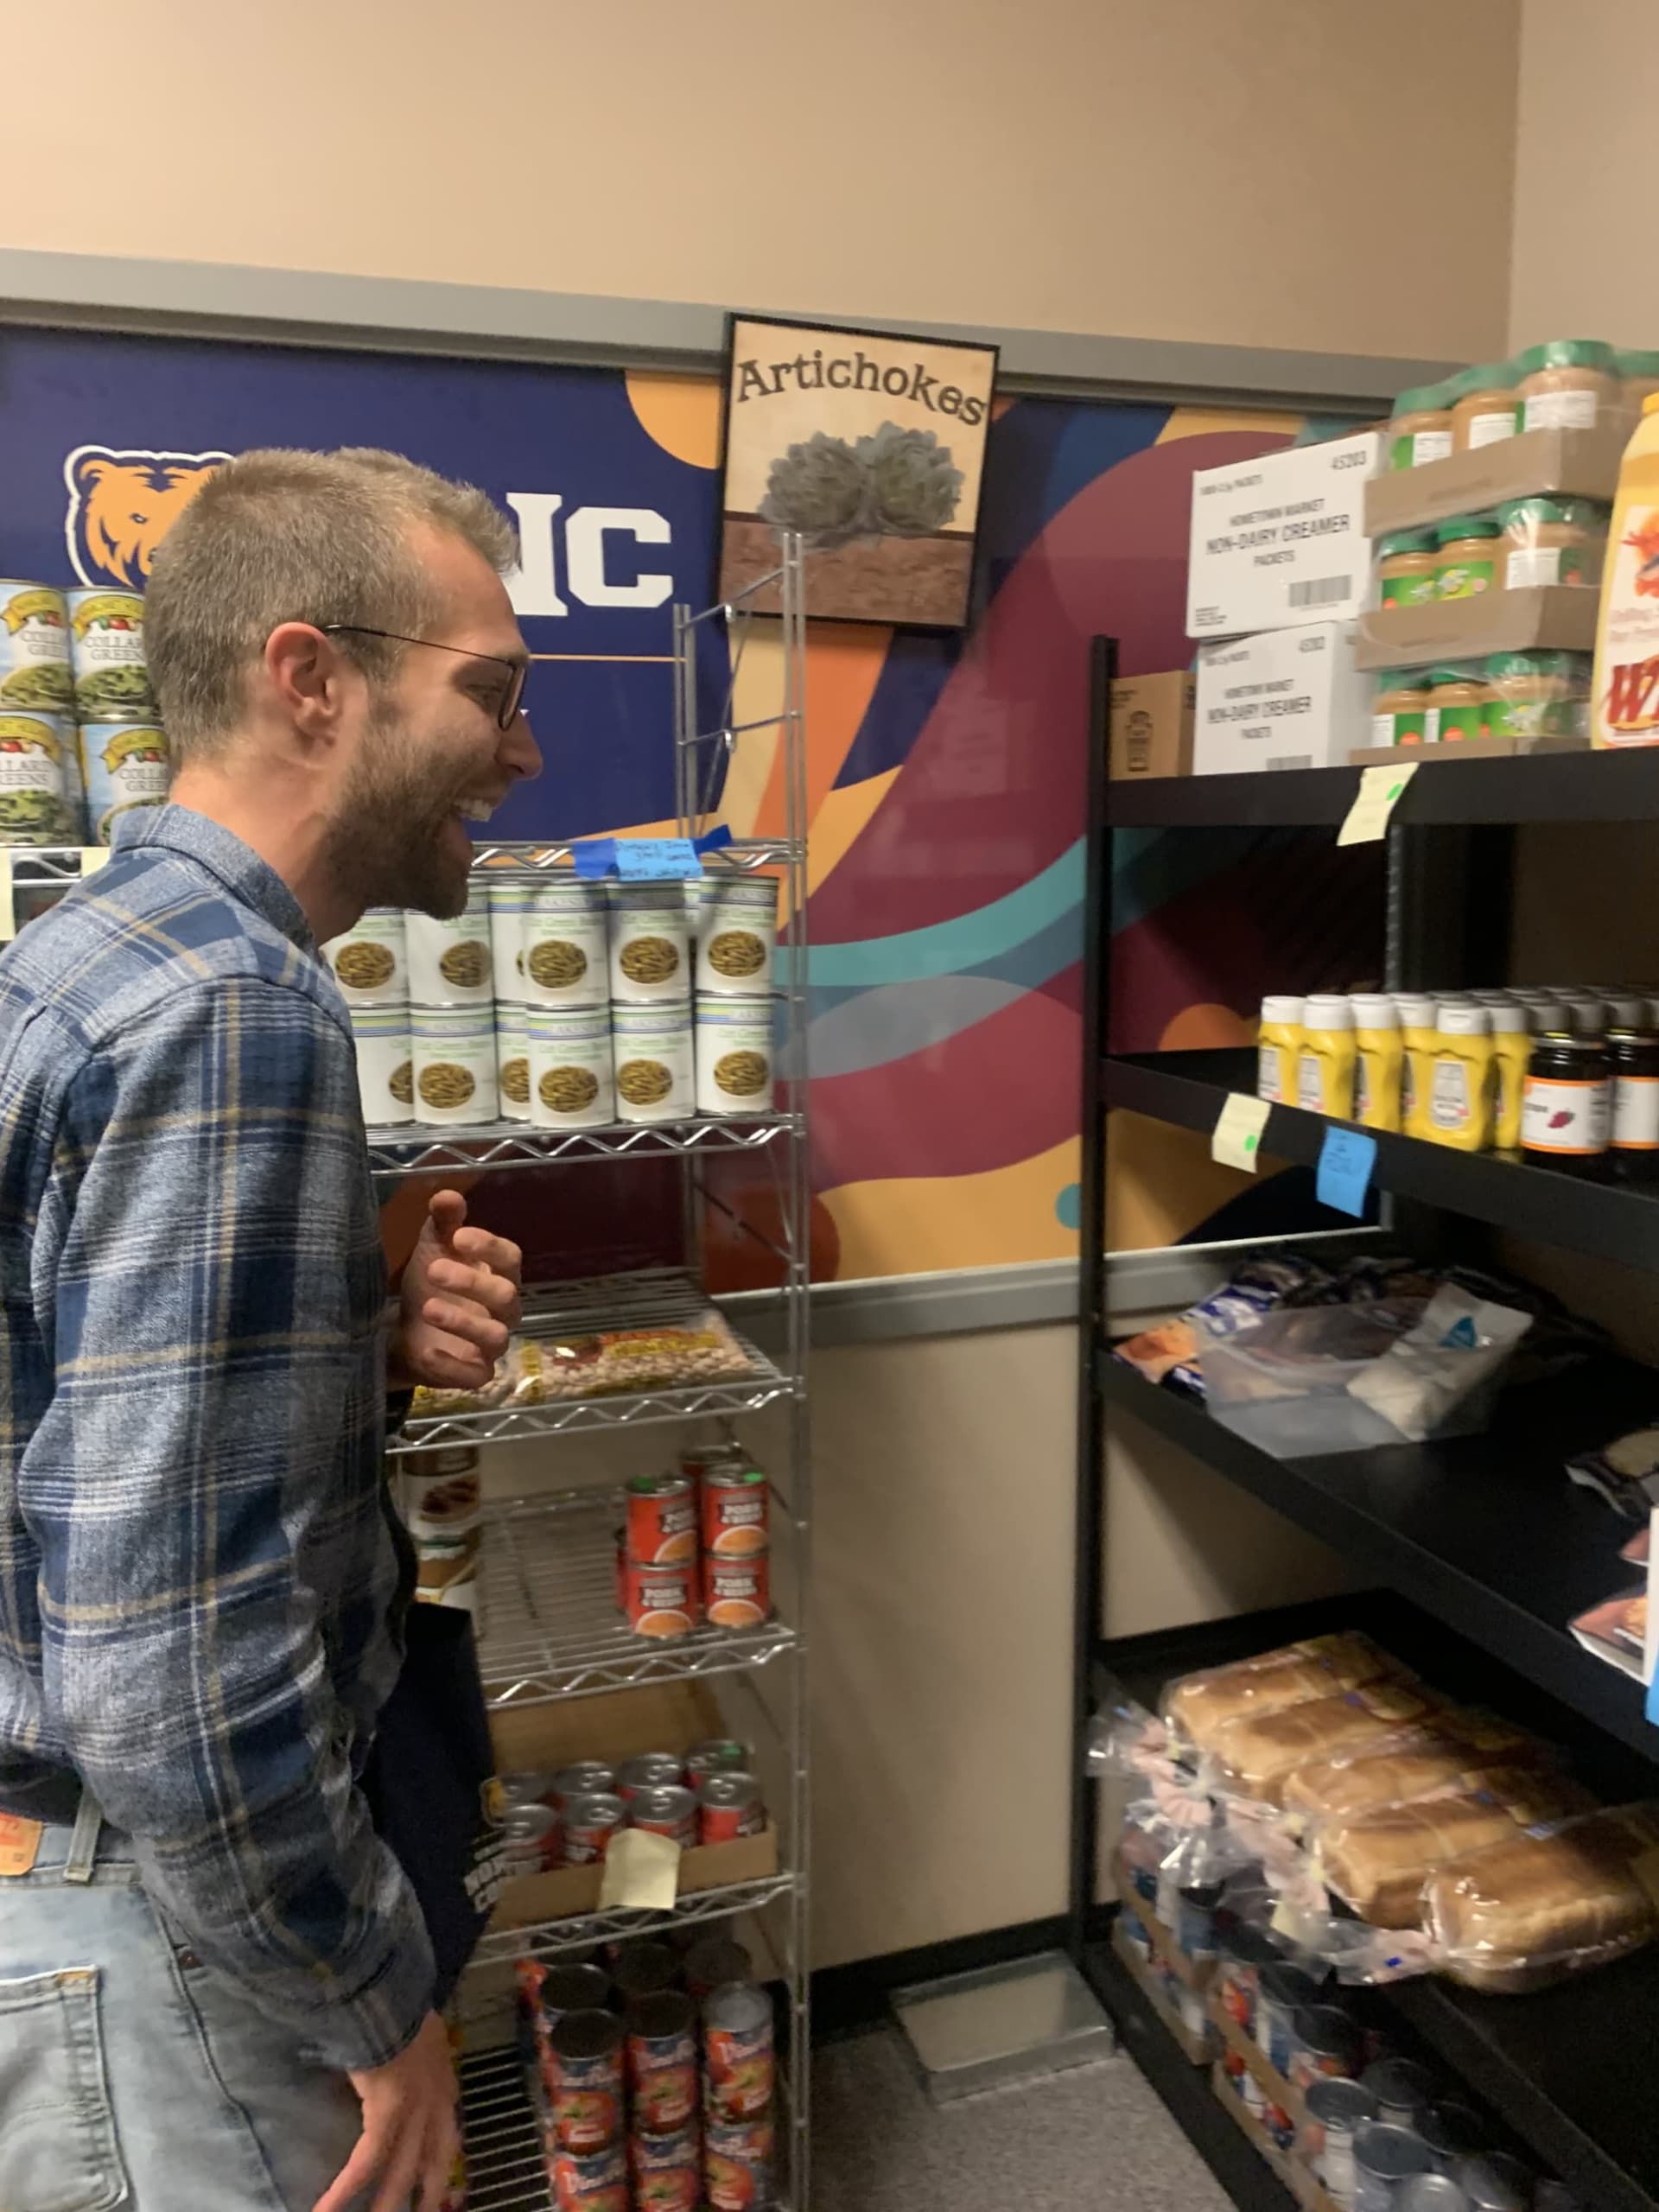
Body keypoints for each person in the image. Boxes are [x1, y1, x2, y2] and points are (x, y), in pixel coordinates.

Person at [0, 448, 543, 2212]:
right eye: (492, 693)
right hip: (179, 1939)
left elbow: (60, 1422)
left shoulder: (91, 950)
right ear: (311, 678)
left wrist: (347, 1347)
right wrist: (367, 1994)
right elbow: (172, 1674)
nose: (521, 755)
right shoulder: (239, 1010)